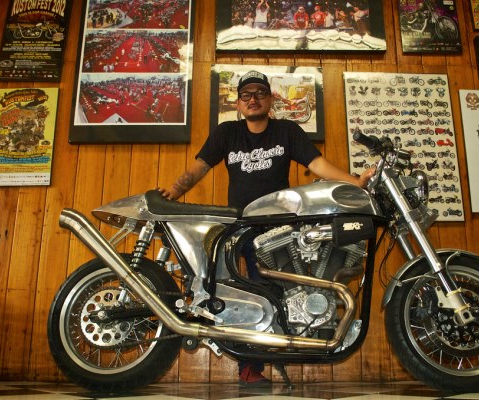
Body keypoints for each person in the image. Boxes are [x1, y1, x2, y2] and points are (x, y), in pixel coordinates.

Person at [159, 70, 374, 387]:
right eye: (246, 95)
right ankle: (250, 367)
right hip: (239, 229)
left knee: (281, 293)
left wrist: (355, 183)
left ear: (271, 99)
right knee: (243, 295)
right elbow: (198, 168)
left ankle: (280, 350)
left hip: (280, 229)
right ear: (238, 103)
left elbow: (317, 165)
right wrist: (173, 193)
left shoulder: (286, 131)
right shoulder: (227, 133)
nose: (253, 99)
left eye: (260, 93)